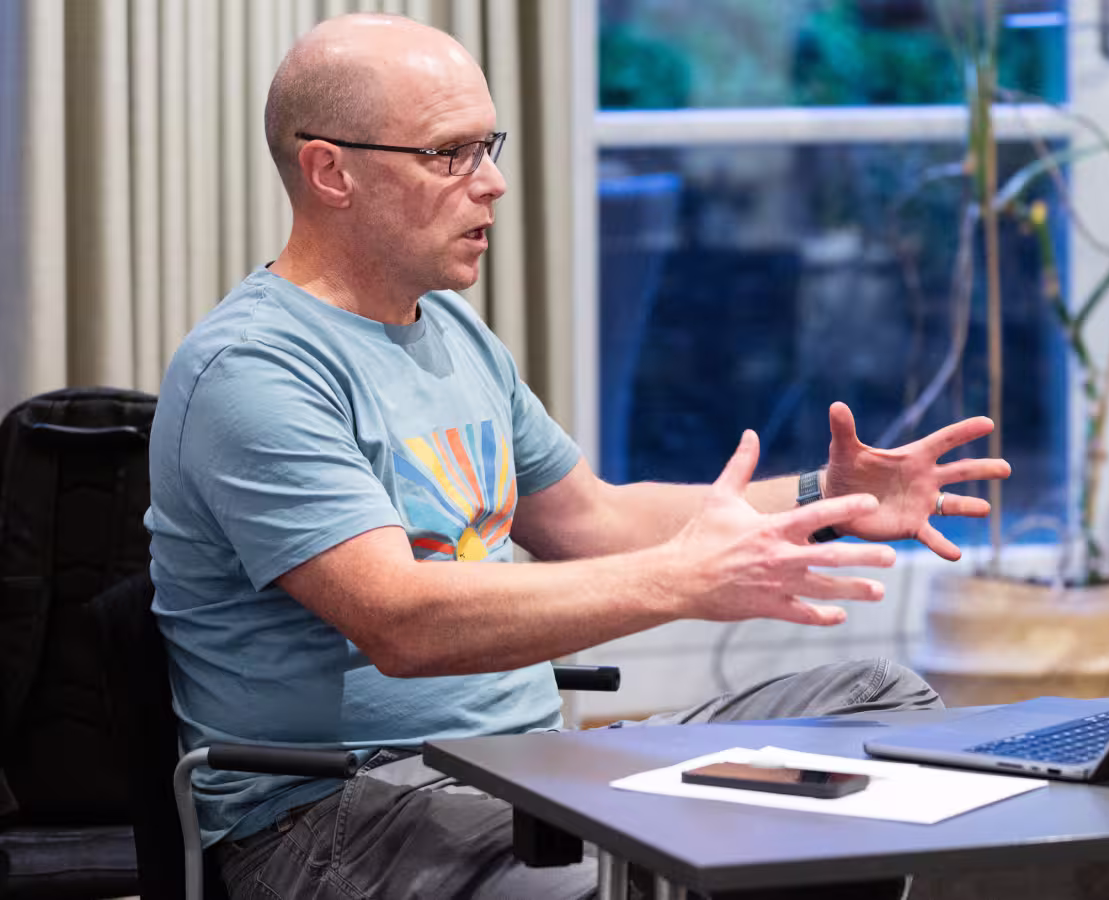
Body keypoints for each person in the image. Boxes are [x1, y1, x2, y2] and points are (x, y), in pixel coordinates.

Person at [145, 13, 1011, 900]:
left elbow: (589, 519)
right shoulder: (253, 369)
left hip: (523, 772)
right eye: (450, 154)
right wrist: (679, 581)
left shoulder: (448, 329)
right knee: (589, 869)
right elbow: (401, 620)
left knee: (884, 706)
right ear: (332, 171)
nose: (494, 183)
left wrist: (824, 495)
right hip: (333, 814)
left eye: (488, 145)